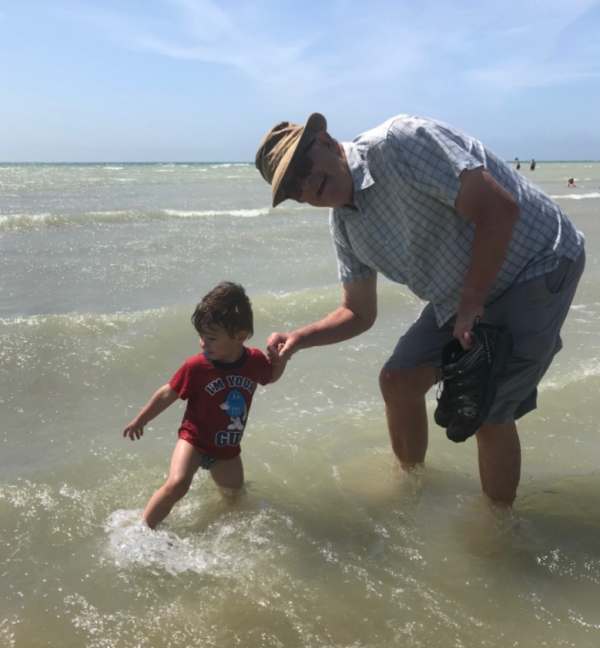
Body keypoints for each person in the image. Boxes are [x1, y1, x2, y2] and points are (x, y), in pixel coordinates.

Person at [255, 112, 585, 506]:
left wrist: (471, 303)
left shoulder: (399, 144)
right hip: (463, 292)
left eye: (303, 169)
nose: (305, 186)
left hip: (536, 262)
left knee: (490, 409)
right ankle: (413, 490)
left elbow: (499, 209)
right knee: (397, 379)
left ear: (324, 141)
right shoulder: (345, 226)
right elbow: (359, 312)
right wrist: (297, 339)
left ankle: (499, 531)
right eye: (292, 188)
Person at [123, 282, 287, 528]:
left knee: (234, 497)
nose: (203, 343)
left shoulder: (253, 361)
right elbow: (169, 393)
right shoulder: (197, 367)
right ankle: (143, 530)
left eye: (210, 338)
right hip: (194, 441)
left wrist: (282, 359)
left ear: (240, 337)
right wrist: (141, 419)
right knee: (177, 485)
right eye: (201, 336)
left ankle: (222, 533)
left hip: (228, 448)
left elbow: (270, 377)